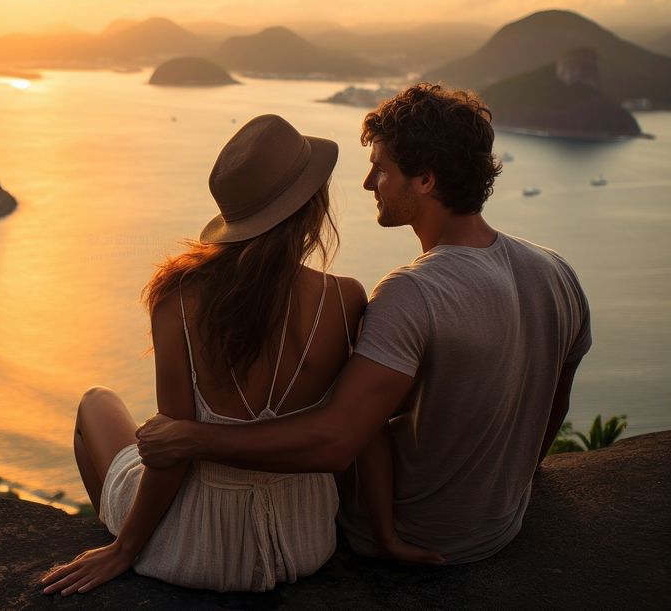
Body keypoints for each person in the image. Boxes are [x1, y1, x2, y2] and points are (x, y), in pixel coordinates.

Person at [136, 84, 592, 564]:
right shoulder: (556, 272)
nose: (369, 183)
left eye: (382, 168)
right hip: (501, 523)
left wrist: (194, 437)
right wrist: (515, 478)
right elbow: (555, 402)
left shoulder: (412, 292)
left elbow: (338, 439)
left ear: (425, 181)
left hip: (412, 529)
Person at [42, 114, 438, 597]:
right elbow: (368, 430)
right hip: (302, 541)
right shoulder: (345, 298)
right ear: (312, 208)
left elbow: (171, 445)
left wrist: (125, 550)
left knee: (97, 403)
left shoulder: (179, 296)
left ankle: (113, 531)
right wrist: (385, 536)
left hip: (193, 544)